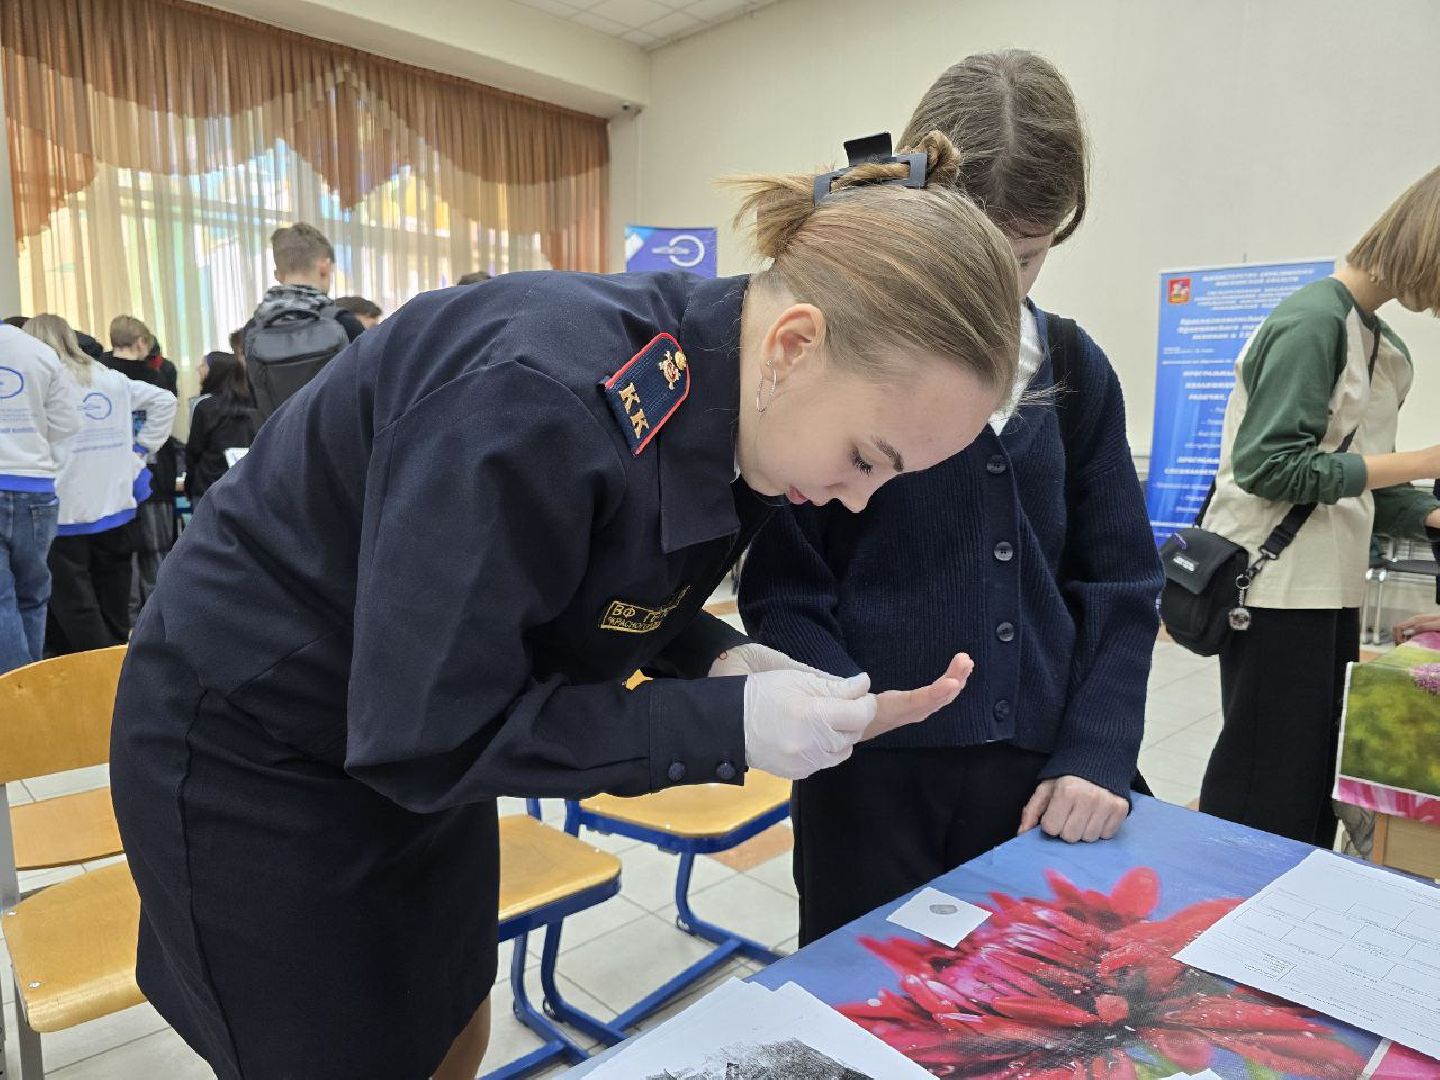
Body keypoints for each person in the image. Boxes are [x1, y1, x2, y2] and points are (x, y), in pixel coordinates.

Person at [109, 134, 1021, 1080]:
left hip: (422, 732)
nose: (859, 498)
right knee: (340, 1052)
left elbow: (582, 575)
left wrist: (715, 657)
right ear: (794, 346)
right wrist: (728, 725)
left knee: (450, 1013)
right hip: (259, 746)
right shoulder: (532, 400)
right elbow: (428, 733)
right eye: (868, 458)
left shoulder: (733, 391)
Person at [738, 50, 1161, 946]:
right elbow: (784, 583)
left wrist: (1098, 750)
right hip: (868, 779)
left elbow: (1121, 583)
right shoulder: (846, 359)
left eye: (1025, 257)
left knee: (1032, 995)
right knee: (863, 995)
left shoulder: (1076, 368)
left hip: (1036, 779)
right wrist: (836, 706)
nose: (995, 289)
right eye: (973, 251)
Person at [1199, 166, 1440, 848]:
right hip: (1275, 588)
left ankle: (1293, 903)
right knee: (1265, 779)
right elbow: (1269, 467)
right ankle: (1230, 904)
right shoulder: (1311, 322)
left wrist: (1427, 511)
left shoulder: (1382, 347)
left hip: (1332, 587)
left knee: (1313, 775)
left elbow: (1362, 483)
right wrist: (1424, 461)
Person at [21, 315, 176, 655]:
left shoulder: (41, 385)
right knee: (115, 602)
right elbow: (165, 401)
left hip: (65, 512)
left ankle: (98, 674)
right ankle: (119, 667)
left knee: (76, 607)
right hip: (117, 506)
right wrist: (140, 451)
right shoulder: (109, 378)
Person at [0, 319, 78, 673]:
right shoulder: (40, 353)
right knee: (33, 595)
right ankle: (32, 686)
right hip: (35, 487)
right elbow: (67, 424)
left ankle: (13, 693)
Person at [101, 316, 181, 622]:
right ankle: (160, 617)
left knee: (120, 554)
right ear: (141, 342)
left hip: (109, 478)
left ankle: (128, 618)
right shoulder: (154, 377)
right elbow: (165, 414)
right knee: (156, 549)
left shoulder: (99, 373)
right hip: (152, 475)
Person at [243, 222, 364, 419]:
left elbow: (255, 400)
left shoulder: (252, 329)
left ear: (278, 275)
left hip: (277, 438)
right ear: (324, 267)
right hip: (339, 437)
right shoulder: (344, 322)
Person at [185, 351, 258, 500]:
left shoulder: (204, 407)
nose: (199, 369)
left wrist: (189, 486)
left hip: (208, 488)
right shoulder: (252, 406)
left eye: (203, 365)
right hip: (243, 486)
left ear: (215, 371)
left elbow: (194, 451)